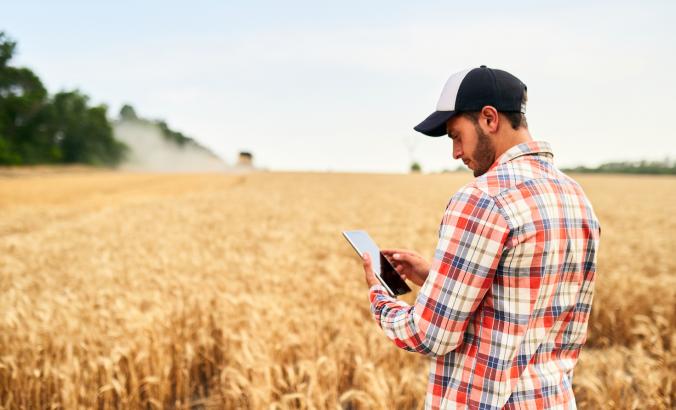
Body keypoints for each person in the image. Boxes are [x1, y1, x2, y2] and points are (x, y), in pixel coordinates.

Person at [360, 65, 601, 409]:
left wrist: (378, 295)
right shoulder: (576, 197)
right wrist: (436, 278)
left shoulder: (483, 198)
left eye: (456, 136)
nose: (455, 153)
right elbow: (529, 301)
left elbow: (430, 334)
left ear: (489, 119)